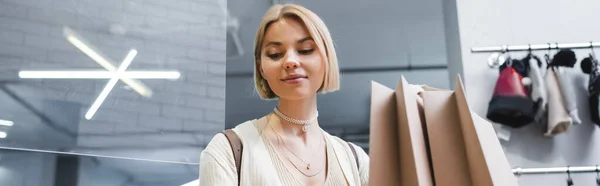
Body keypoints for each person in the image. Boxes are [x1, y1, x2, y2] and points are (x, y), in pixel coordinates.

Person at [199, 3, 369, 186]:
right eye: (275, 54)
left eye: (305, 50)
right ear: (261, 68)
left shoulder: (355, 159)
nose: (290, 61)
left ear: (326, 59)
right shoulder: (228, 150)